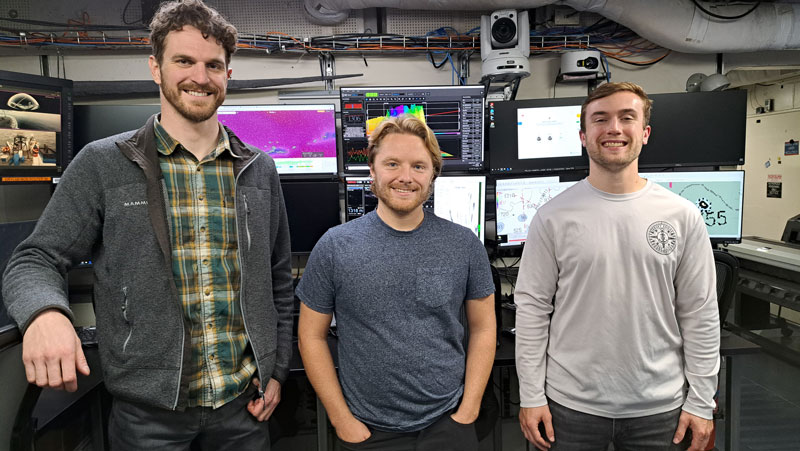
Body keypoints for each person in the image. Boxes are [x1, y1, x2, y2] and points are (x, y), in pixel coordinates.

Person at [1, 0, 294, 448]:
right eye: (184, 61)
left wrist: (275, 371)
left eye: (213, 64)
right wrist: (44, 314)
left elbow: (277, 281)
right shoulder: (103, 164)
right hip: (147, 419)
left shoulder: (258, 170)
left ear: (227, 76)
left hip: (244, 408)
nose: (200, 76)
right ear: (156, 68)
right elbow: (34, 259)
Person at [515, 82, 720, 451]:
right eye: (600, 119)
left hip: (661, 408)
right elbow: (532, 313)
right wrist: (531, 396)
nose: (614, 128)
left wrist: (702, 400)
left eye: (627, 118)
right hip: (570, 407)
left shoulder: (682, 216)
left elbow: (700, 314)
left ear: (644, 132)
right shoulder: (552, 217)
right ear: (583, 135)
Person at [296, 115, 496, 451]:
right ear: (372, 170)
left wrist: (469, 409)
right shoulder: (334, 246)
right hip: (368, 431)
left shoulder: (463, 244)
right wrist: (341, 419)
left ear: (433, 174)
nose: (405, 177)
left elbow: (484, 328)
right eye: (392, 164)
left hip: (447, 422)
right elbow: (310, 335)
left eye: (419, 166)